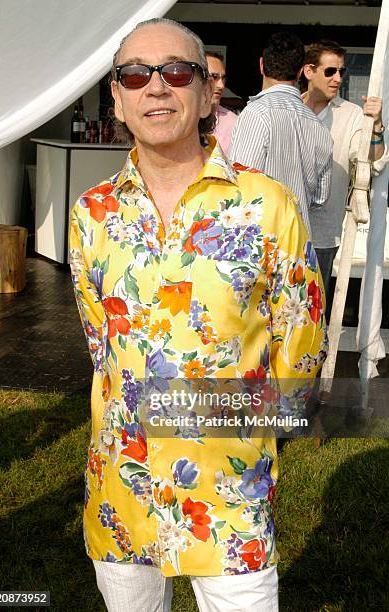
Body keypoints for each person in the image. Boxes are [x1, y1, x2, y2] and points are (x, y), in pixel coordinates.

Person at [70, 17, 327, 612]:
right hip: (122, 491)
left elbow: (301, 355)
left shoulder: (268, 206)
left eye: (177, 72)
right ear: (117, 95)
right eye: (135, 74)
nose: (155, 87)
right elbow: (100, 348)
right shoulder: (92, 215)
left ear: (209, 92)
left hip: (229, 497)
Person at [302, 39, 388, 301]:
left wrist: (376, 127)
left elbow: (372, 159)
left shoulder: (351, 113)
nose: (337, 78)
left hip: (324, 234)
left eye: (342, 72)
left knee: (316, 314)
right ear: (309, 71)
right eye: (330, 71)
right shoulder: (290, 107)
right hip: (282, 228)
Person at [229, 32, 333, 235]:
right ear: (300, 72)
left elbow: (240, 183)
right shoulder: (318, 126)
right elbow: (320, 198)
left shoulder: (256, 113)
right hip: (300, 240)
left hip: (261, 241)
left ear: (261, 65)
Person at [206, 51, 237, 155]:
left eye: (223, 78)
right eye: (214, 77)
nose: (221, 85)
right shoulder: (179, 118)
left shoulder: (233, 122)